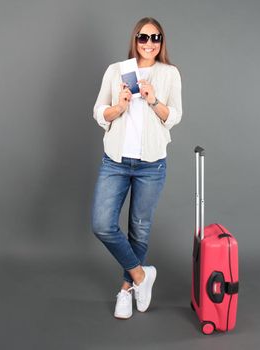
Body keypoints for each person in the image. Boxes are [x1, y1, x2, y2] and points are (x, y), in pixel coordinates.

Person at [91, 17, 182, 319]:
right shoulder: (117, 70)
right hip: (116, 161)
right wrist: (119, 107)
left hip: (151, 165)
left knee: (139, 230)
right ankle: (143, 276)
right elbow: (99, 111)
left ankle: (126, 289)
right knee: (102, 224)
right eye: (143, 37)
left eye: (155, 38)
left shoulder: (169, 74)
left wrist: (154, 100)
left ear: (161, 42)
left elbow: (174, 117)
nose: (149, 43)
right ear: (135, 39)